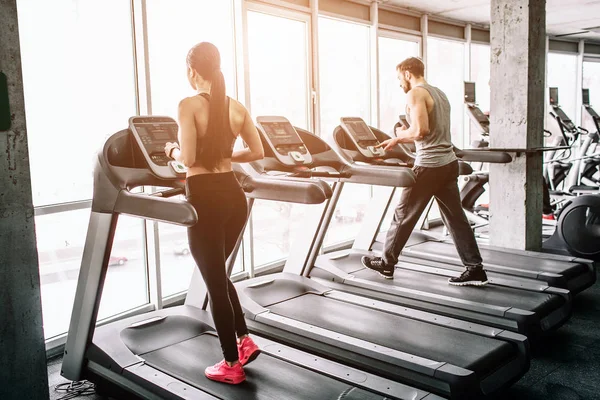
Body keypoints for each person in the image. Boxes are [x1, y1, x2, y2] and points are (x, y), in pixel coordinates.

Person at [164, 42, 264, 384]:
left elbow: (187, 159)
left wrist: (170, 149)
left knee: (214, 283)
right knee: (218, 274)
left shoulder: (188, 105)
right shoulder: (236, 108)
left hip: (204, 197)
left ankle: (231, 365)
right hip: (234, 198)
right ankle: (244, 340)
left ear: (192, 72)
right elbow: (257, 150)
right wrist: (224, 156)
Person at [361, 57, 488, 286]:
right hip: (448, 164)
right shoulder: (439, 93)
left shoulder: (415, 93)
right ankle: (475, 268)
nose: (400, 84)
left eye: (400, 78)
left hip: (429, 166)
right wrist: (405, 132)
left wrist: (399, 136)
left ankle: (387, 264)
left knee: (403, 216)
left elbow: (421, 130)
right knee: (456, 219)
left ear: (408, 74)